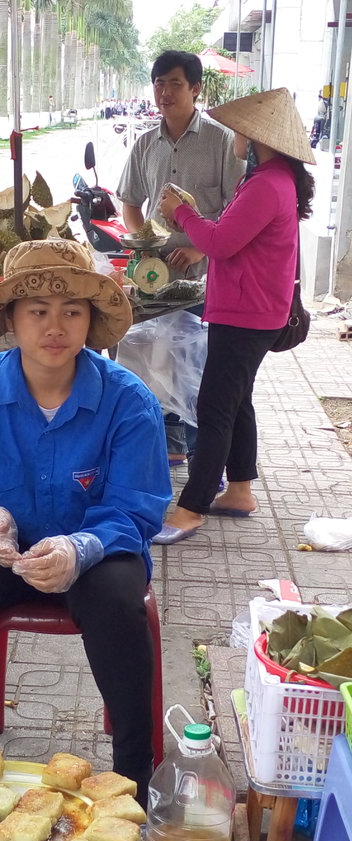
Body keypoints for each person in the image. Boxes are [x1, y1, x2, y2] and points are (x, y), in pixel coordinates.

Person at [0, 239, 172, 803]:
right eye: (38, 312)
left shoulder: (128, 402)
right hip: (4, 556)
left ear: (90, 321)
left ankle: (132, 778)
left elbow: (137, 507)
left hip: (96, 555)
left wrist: (80, 547)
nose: (55, 327)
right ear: (11, 319)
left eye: (72, 312)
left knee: (117, 600)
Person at [152, 88, 316, 545]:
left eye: (239, 131)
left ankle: (191, 507)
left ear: (256, 135)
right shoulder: (272, 178)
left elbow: (220, 243)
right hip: (254, 308)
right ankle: (240, 490)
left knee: (215, 406)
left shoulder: (267, 183)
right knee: (237, 400)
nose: (234, 138)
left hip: (248, 313)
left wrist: (180, 212)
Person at [116, 50, 245, 469]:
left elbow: (237, 207)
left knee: (200, 364)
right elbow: (131, 203)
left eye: (173, 83)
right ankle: (168, 445)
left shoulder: (221, 141)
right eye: (158, 83)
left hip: (207, 276)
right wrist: (143, 241)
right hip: (155, 275)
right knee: (154, 360)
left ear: (195, 88)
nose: (164, 92)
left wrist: (199, 246)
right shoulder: (144, 142)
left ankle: (203, 453)